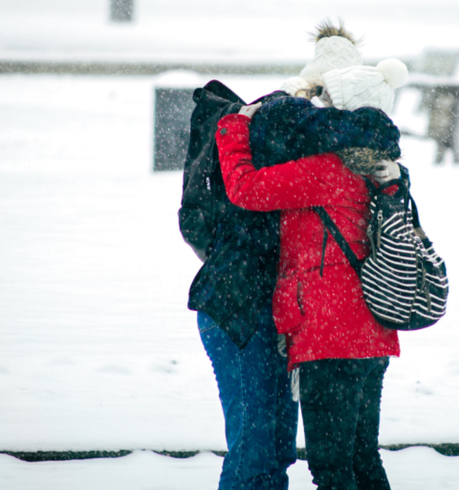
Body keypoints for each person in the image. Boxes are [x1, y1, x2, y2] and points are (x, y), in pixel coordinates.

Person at [181, 21, 395, 490]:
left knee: (295, 456)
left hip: (313, 327)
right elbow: (245, 191)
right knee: (306, 455)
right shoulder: (377, 168)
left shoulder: (326, 166)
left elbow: (244, 190)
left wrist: (235, 128)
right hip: (295, 320)